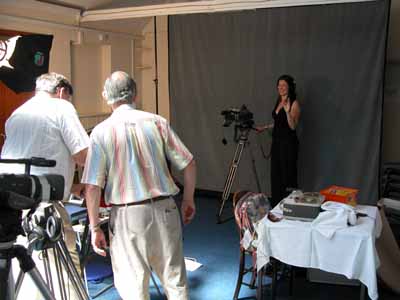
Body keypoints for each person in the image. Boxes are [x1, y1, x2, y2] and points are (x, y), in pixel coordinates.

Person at [82, 71, 196, 300]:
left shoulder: (101, 132)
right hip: (166, 208)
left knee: (133, 286)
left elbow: (92, 186)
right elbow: (189, 163)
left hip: (128, 216)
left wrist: (95, 227)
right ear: (135, 93)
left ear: (107, 97)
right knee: (175, 281)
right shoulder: (157, 122)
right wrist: (188, 199)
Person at [0, 72, 89, 299]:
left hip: (10, 207)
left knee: (25, 274)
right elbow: (84, 155)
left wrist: (71, 188)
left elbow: (31, 159)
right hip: (44, 208)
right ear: (61, 91)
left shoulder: (17, 114)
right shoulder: (61, 107)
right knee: (65, 274)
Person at [257, 74, 300, 207]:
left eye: (284, 85)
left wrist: (287, 111)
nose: (281, 88)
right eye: (279, 85)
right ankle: (277, 207)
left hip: (288, 145)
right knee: (276, 176)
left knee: (287, 176)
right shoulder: (278, 101)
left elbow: (292, 126)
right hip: (277, 143)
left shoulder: (294, 103)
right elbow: (279, 123)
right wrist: (265, 127)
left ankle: (289, 207)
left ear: (289, 87)